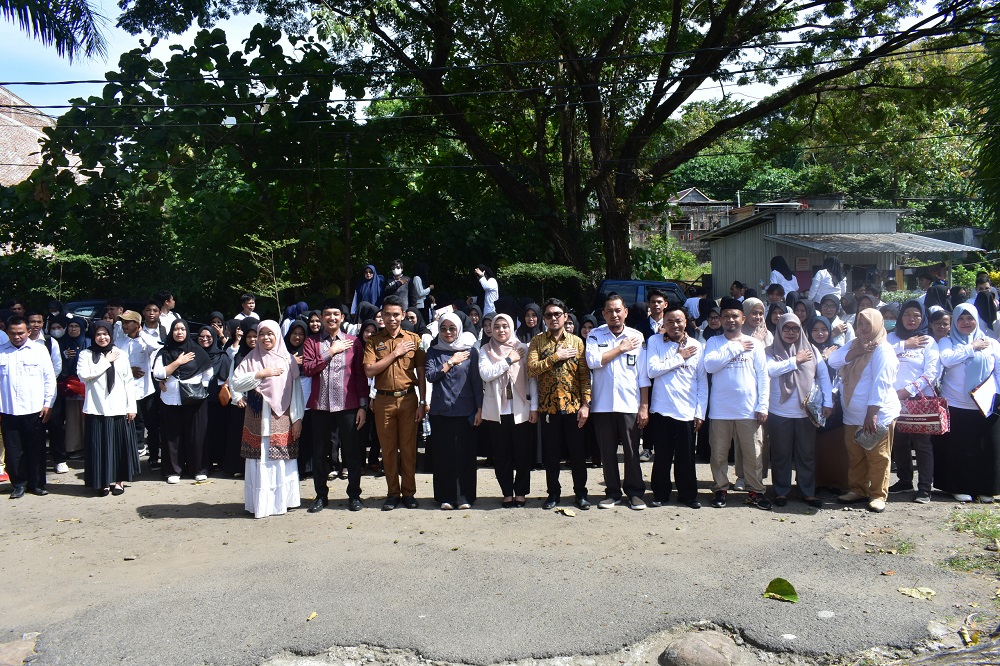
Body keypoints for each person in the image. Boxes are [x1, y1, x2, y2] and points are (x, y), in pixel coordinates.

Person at [828, 309, 900, 513]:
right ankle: (858, 490)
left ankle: (878, 495)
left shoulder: (883, 350)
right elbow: (833, 361)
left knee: (877, 456)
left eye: (868, 324)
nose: (863, 328)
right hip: (853, 414)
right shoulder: (855, 344)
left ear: (878, 324)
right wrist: (856, 352)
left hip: (875, 414)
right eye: (860, 324)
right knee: (856, 454)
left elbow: (881, 384)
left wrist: (872, 413)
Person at [702, 297, 772, 510]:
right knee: (719, 454)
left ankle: (755, 491)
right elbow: (710, 365)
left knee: (753, 454)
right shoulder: (714, 342)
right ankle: (721, 489)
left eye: (735, 316)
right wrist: (736, 347)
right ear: (721, 319)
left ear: (743, 318)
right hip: (720, 410)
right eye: (726, 316)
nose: (730, 320)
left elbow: (763, 376)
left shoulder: (756, 344)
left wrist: (763, 405)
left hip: (748, 410)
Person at [301, 299, 369, 513]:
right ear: (321, 318)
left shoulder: (353, 342)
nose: (331, 318)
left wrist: (362, 406)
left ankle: (354, 495)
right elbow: (309, 368)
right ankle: (321, 495)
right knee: (320, 453)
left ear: (342, 317)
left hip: (348, 405)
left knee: (352, 452)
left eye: (335, 314)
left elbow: (359, 376)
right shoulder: (312, 342)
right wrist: (331, 351)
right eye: (327, 314)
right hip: (320, 406)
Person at [232, 320, 304, 518]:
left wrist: (297, 418)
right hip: (257, 416)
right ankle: (261, 505)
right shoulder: (250, 358)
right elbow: (236, 383)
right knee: (259, 460)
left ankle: (282, 503)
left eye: (270, 334)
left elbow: (296, 391)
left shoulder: (287, 359)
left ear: (277, 335)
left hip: (282, 417)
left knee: (282, 460)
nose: (266, 338)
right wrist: (259, 374)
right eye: (261, 334)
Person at [363, 295, 428, 511]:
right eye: (387, 314)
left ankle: (409, 492)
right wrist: (395, 353)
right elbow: (370, 370)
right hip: (383, 400)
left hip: (409, 399)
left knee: (409, 449)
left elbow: (421, 371)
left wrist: (423, 401)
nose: (392, 319)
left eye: (396, 314)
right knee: (388, 450)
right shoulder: (374, 341)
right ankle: (392, 493)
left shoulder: (413, 339)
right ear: (381, 315)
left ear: (402, 315)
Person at [527, 298, 592, 510]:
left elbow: (584, 376)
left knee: (577, 454)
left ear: (565, 316)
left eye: (557, 314)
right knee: (551, 456)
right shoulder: (537, 341)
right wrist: (556, 357)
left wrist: (586, 405)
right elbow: (531, 369)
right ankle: (553, 493)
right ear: (544, 319)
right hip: (549, 409)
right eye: (548, 315)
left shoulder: (577, 342)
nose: (553, 318)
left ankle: (581, 493)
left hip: (573, 408)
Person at [586, 294, 649, 510]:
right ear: (603, 314)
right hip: (602, 404)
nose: (614, 314)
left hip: (629, 404)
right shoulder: (595, 335)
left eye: (618, 310)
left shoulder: (637, 336)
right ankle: (612, 492)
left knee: (632, 451)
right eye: (609, 311)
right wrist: (620, 348)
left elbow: (643, 375)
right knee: (607, 452)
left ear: (625, 312)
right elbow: (593, 361)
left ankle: (635, 493)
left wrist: (644, 406)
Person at [765, 313, 833, 508]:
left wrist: (828, 402)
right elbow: (771, 370)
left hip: (806, 412)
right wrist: (795, 360)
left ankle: (807, 491)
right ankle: (781, 492)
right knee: (780, 454)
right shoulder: (770, 351)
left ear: (800, 330)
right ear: (779, 330)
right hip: (779, 412)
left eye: (795, 328)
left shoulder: (811, 350)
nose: (790, 332)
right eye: (786, 328)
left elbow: (823, 377)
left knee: (806, 454)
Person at [937, 303, 1000, 503]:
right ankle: (958, 487)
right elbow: (947, 360)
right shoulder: (947, 342)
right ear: (954, 321)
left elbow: (998, 371)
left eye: (970, 318)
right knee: (959, 449)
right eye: (961, 319)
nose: (966, 323)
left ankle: (985, 488)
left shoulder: (991, 343)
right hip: (956, 404)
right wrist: (971, 348)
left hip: (985, 404)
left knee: (986, 448)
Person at [646, 304, 707, 509]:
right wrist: (679, 357)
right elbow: (652, 370)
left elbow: (701, 383)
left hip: (687, 411)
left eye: (678, 321)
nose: (674, 325)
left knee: (686, 458)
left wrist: (700, 413)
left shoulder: (697, 346)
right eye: (669, 321)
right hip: (662, 410)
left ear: (686, 322)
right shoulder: (654, 341)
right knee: (662, 455)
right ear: (663, 322)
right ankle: (660, 494)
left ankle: (688, 495)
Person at [425, 313, 483, 509]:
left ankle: (465, 497)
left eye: (452, 328)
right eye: (443, 328)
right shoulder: (433, 351)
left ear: (459, 329)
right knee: (443, 456)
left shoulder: (470, 352)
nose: (448, 332)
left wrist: (479, 409)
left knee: (465, 456)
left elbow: (476, 382)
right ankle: (445, 497)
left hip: (465, 410)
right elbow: (431, 375)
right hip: (440, 411)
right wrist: (450, 362)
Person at [480, 313, 537, 508]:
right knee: (501, 454)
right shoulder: (485, 349)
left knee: (522, 454)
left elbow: (532, 380)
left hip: (521, 409)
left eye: (505, 326)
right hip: (497, 411)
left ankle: (520, 492)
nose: (501, 330)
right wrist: (508, 361)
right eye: (497, 327)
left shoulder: (523, 348)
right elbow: (486, 374)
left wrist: (534, 407)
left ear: (512, 327)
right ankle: (506, 492)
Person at [77, 321, 139, 497]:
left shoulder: (121, 354)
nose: (102, 337)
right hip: (96, 409)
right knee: (99, 447)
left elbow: (128, 381)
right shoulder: (86, 354)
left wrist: (131, 406)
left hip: (119, 408)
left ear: (111, 335)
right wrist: (105, 361)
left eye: (105, 334)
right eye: (98, 334)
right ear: (93, 336)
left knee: (118, 446)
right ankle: (102, 481)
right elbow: (84, 375)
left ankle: (119, 481)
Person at [886, 301, 939, 503]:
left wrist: (908, 390)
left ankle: (925, 487)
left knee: (922, 444)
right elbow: (880, 356)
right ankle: (904, 480)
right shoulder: (891, 338)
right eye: (907, 314)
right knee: (899, 441)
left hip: (917, 399)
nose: (911, 319)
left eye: (916, 315)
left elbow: (931, 372)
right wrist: (903, 345)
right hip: (892, 398)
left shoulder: (928, 341)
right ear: (900, 318)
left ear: (922, 318)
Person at [0, 316, 56, 498]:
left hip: (34, 409)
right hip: (8, 409)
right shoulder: (2, 352)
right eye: (13, 333)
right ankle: (18, 484)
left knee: (36, 448)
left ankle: (37, 483)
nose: (17, 337)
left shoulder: (39, 350)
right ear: (7, 332)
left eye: (21, 333)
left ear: (28, 331)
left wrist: (48, 404)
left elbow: (49, 379)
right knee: (14, 450)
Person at [152, 319, 213, 484]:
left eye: (182, 329)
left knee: (196, 435)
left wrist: (200, 387)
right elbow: (158, 373)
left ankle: (198, 469)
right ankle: (173, 470)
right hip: (170, 399)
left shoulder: (197, 351)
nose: (179, 332)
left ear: (187, 331)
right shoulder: (164, 353)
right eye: (176, 329)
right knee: (173, 436)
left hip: (195, 399)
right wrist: (178, 362)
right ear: (171, 332)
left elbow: (208, 373)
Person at [196, 324, 232, 473]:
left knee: (217, 431)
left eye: (209, 337)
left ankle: (219, 461)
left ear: (215, 338)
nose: (205, 339)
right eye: (202, 337)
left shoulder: (221, 356)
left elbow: (228, 376)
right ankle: (204, 462)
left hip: (217, 402)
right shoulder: (193, 354)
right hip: (196, 400)